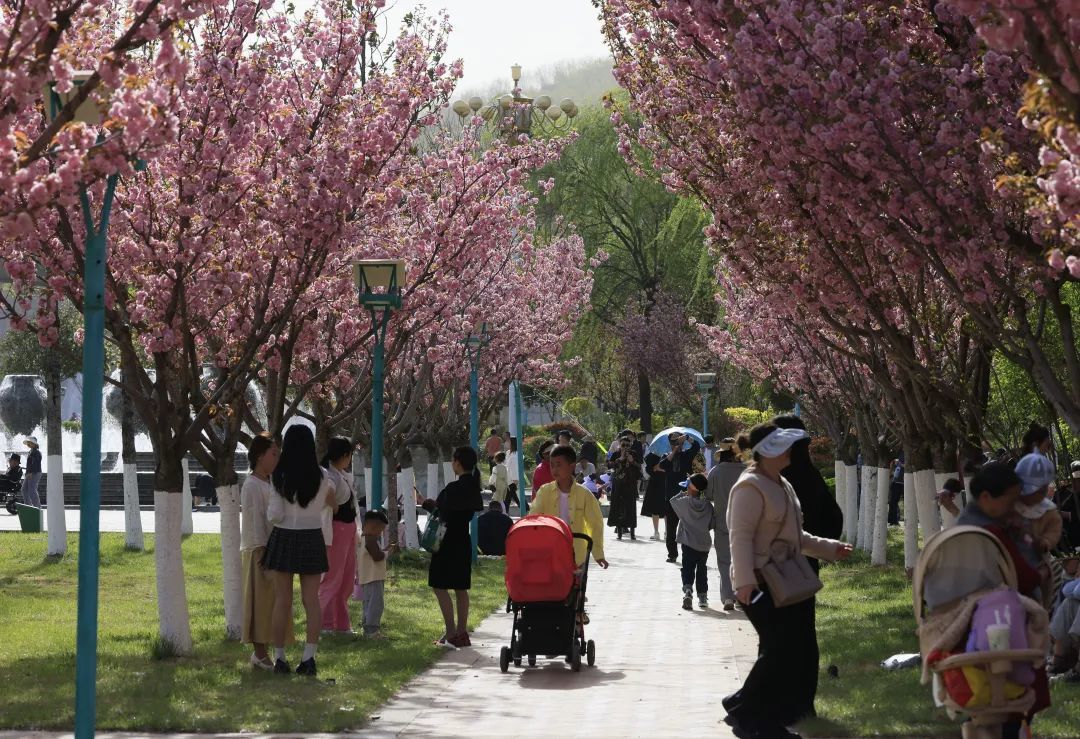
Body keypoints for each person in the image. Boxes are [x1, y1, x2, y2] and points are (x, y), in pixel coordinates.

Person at [723, 424, 852, 738]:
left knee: (789, 650)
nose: (791, 451)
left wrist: (829, 549)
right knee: (780, 649)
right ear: (768, 452)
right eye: (784, 446)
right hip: (760, 582)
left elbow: (797, 536)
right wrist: (744, 583)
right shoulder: (749, 487)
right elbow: (740, 538)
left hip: (787, 578)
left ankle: (751, 709)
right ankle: (746, 715)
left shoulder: (782, 484)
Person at [956, 462, 1051, 728]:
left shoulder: (963, 525)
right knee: (1010, 702)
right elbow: (1024, 576)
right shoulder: (991, 532)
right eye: (1010, 499)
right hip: (1003, 628)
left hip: (967, 626)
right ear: (986, 497)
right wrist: (1043, 572)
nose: (1014, 506)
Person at [264, 425, 336, 676]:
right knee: (311, 600)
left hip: (284, 536)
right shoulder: (323, 475)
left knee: (282, 600)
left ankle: (280, 658)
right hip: (312, 536)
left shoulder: (277, 475)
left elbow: (275, 514)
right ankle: (309, 658)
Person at [424, 446, 484, 648]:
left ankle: (450, 632)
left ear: (458, 462)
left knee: (439, 585)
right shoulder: (474, 487)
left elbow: (443, 515)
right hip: (463, 541)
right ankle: (462, 632)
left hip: (446, 542)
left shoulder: (453, 488)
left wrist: (429, 506)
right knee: (460, 587)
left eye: (453, 460)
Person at [240, 433, 291, 670]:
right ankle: (259, 653)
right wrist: (262, 552)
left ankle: (267, 650)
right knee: (260, 603)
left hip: (273, 549)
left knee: (272, 602)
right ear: (260, 456)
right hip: (260, 550)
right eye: (273, 454)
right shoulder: (251, 485)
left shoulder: (268, 482)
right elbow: (254, 522)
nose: (277, 458)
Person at [531, 445, 609, 570]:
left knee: (574, 587)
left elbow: (596, 524)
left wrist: (598, 553)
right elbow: (533, 519)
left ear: (572, 466)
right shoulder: (544, 492)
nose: (554, 469)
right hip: (549, 552)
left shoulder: (584, 494)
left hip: (576, 555)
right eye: (552, 465)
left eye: (559, 464)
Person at [318, 437, 359, 635]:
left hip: (349, 529)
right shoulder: (329, 474)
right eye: (349, 455)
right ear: (344, 455)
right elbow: (327, 492)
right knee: (333, 577)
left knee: (347, 579)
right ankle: (324, 623)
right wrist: (334, 507)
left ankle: (342, 623)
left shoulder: (341, 474)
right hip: (338, 529)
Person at [1014, 452, 1063, 609]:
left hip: (1038, 559)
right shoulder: (1011, 504)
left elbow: (1053, 531)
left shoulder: (1049, 511)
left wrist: (1045, 542)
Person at [706, 442, 745, 610]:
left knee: (724, 561)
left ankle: (728, 597)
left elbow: (708, 495)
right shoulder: (747, 471)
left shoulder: (715, 472)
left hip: (722, 521)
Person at [671, 473, 714, 610]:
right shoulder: (708, 505)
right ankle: (702, 597)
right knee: (702, 570)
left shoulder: (684, 502)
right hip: (704, 544)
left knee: (688, 568)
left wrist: (682, 492)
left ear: (690, 488)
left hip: (688, 543)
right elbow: (712, 524)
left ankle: (688, 591)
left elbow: (672, 500)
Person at [661, 432, 701, 563]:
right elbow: (662, 466)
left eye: (678, 441)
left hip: (685, 496)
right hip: (670, 497)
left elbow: (696, 446)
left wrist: (687, 438)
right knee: (671, 528)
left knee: (688, 526)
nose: (676, 444)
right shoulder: (666, 456)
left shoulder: (686, 455)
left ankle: (689, 552)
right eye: (673, 442)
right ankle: (672, 554)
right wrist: (673, 451)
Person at [358, 509, 393, 639]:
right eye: (381, 529)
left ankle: (367, 627)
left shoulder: (363, 539)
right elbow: (377, 557)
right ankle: (372, 630)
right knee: (376, 603)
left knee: (367, 602)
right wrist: (389, 553)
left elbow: (374, 554)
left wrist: (384, 550)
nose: (381, 533)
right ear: (373, 527)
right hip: (374, 577)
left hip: (366, 576)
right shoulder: (371, 540)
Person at [607, 433, 641, 540]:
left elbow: (639, 467)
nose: (625, 447)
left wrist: (632, 461)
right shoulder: (616, 454)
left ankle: (632, 532)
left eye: (627, 445)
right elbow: (610, 465)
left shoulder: (633, 453)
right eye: (623, 445)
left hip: (630, 484)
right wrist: (620, 459)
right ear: (619, 445)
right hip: (618, 484)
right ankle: (619, 532)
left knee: (630, 507)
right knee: (618, 506)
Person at [640, 451, 667, 540]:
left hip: (666, 483)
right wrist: (656, 468)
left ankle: (667, 532)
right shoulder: (651, 455)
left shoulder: (670, 454)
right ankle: (656, 532)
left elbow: (671, 469)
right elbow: (649, 470)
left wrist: (660, 468)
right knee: (655, 509)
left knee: (667, 509)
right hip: (654, 484)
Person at [21, 437, 42, 508]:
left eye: (30, 443)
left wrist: (30, 472)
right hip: (30, 473)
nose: (28, 444)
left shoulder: (36, 452)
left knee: (31, 490)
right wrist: (27, 473)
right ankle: (28, 506)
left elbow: (35, 463)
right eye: (28, 443)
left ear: (34, 444)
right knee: (24, 489)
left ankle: (38, 508)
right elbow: (30, 464)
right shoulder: (31, 451)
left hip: (34, 473)